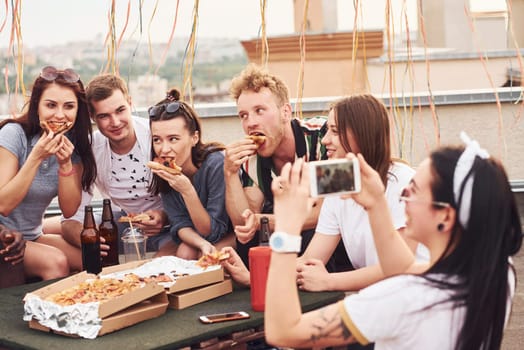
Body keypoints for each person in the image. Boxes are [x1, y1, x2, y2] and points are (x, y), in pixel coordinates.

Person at [264, 134, 522, 349]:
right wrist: (376, 203)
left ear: (445, 214)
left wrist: (287, 227)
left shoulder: (403, 300)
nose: (403, 196)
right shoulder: (496, 271)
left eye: (414, 190)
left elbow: (283, 331)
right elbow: (404, 268)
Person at [297, 94, 428, 292]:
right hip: (378, 298)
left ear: (361, 134)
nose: (324, 140)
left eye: (334, 131)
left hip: (417, 296)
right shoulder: (339, 182)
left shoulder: (406, 184)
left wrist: (329, 281)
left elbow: (399, 267)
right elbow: (310, 261)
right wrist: (253, 275)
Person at [224, 63, 328, 268]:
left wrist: (262, 221)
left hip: (328, 235)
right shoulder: (250, 157)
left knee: (307, 234)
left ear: (286, 112)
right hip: (290, 236)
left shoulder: (322, 137)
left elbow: (324, 215)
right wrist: (230, 173)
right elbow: (244, 224)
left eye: (259, 110)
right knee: (249, 245)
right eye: (243, 115)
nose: (250, 123)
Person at [0, 66, 97, 279]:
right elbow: (3, 205)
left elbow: (69, 209)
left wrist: (65, 165)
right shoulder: (14, 135)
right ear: (37, 106)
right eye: (51, 105)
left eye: (69, 106)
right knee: (56, 263)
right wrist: (36, 157)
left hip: (32, 235)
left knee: (92, 260)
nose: (60, 115)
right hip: (4, 235)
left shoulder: (75, 145)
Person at [60, 74, 169, 254]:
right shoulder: (91, 149)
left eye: (120, 110)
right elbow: (71, 219)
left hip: (169, 226)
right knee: (51, 231)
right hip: (125, 224)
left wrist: (165, 216)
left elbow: (189, 194)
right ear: (92, 116)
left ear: (130, 103)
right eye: (104, 116)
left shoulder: (156, 136)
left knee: (167, 262)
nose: (115, 122)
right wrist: (89, 242)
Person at [148, 88, 234, 259]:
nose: (164, 150)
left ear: (194, 138)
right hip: (199, 235)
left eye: (173, 139)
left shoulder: (216, 164)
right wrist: (201, 244)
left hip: (234, 235)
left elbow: (212, 232)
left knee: (197, 257)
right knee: (183, 252)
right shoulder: (165, 168)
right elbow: (179, 224)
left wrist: (187, 191)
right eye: (157, 139)